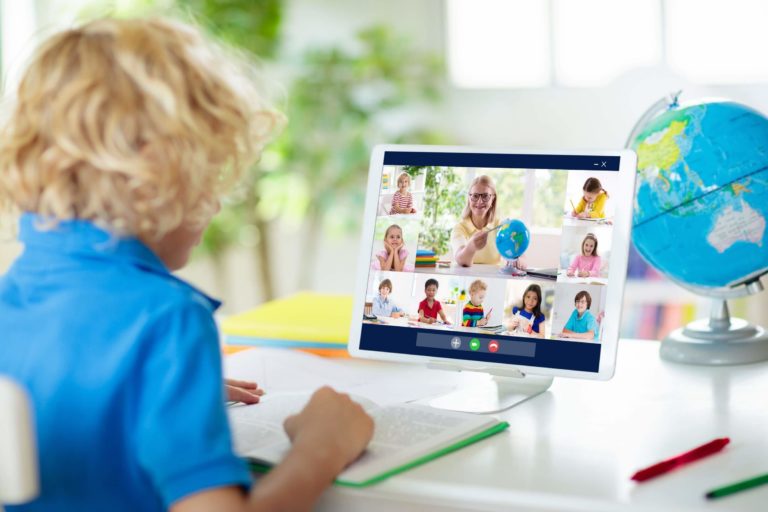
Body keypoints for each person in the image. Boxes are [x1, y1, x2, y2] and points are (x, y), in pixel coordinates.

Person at [0, 17, 373, 512]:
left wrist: (157, 391)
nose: (215, 204)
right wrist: (321, 447)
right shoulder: (167, 320)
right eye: (209, 177)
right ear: (155, 174)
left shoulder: (16, 293)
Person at [452, 175, 526, 269]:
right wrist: (471, 247)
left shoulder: (501, 226)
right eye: (475, 196)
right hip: (468, 282)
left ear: (493, 199)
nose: (479, 201)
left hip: (495, 282)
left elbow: (523, 258)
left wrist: (517, 261)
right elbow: (461, 260)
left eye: (485, 196)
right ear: (469, 198)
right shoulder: (460, 228)